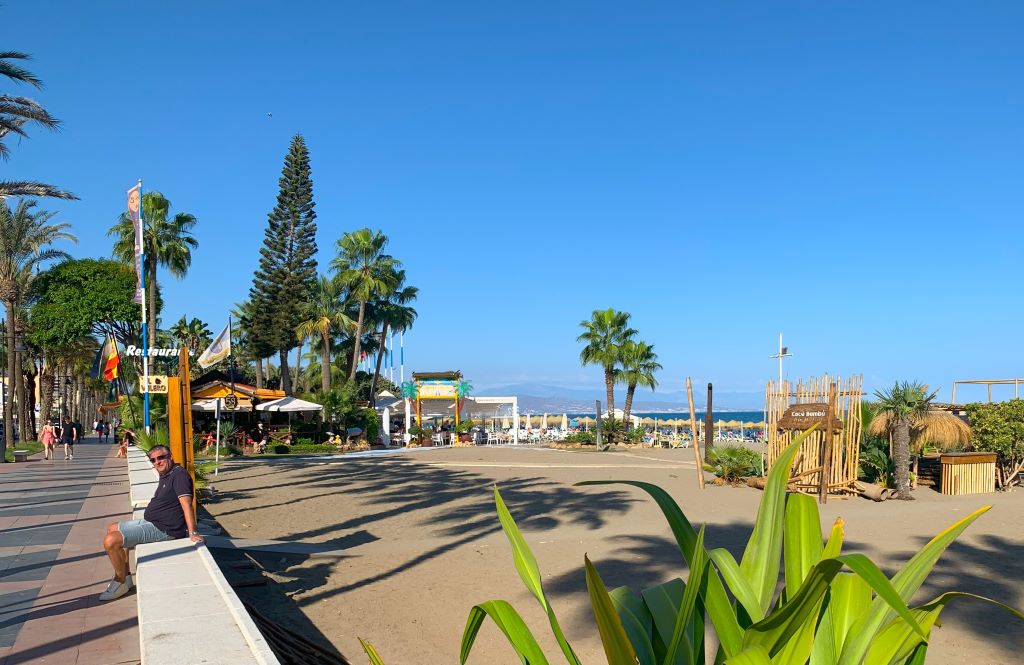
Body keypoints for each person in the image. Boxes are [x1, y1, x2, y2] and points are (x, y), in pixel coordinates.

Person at [99, 445, 203, 601]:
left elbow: (187, 504)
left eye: (161, 458)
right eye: (153, 460)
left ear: (170, 456)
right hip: (153, 522)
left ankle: (119, 581)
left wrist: (193, 532)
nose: (157, 462)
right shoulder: (166, 473)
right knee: (112, 527)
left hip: (166, 529)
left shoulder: (179, 476)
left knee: (111, 541)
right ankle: (126, 579)